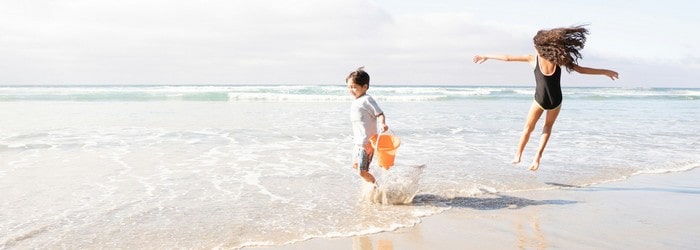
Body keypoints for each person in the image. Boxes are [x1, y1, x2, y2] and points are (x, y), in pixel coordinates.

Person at [473, 25, 619, 171]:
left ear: (540, 47)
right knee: (547, 127)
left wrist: (487, 56)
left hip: (540, 100)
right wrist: (605, 72)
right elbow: (582, 70)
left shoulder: (533, 59)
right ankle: (537, 157)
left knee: (528, 128)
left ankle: (518, 155)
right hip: (556, 100)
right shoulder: (559, 60)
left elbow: (507, 58)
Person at [347, 67, 388, 184]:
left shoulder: (367, 100)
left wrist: (383, 123)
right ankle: (372, 186)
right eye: (349, 87)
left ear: (364, 87)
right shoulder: (355, 101)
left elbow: (379, 113)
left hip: (367, 143)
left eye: (354, 87)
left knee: (362, 171)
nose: (351, 90)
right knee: (356, 166)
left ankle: (376, 188)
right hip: (358, 143)